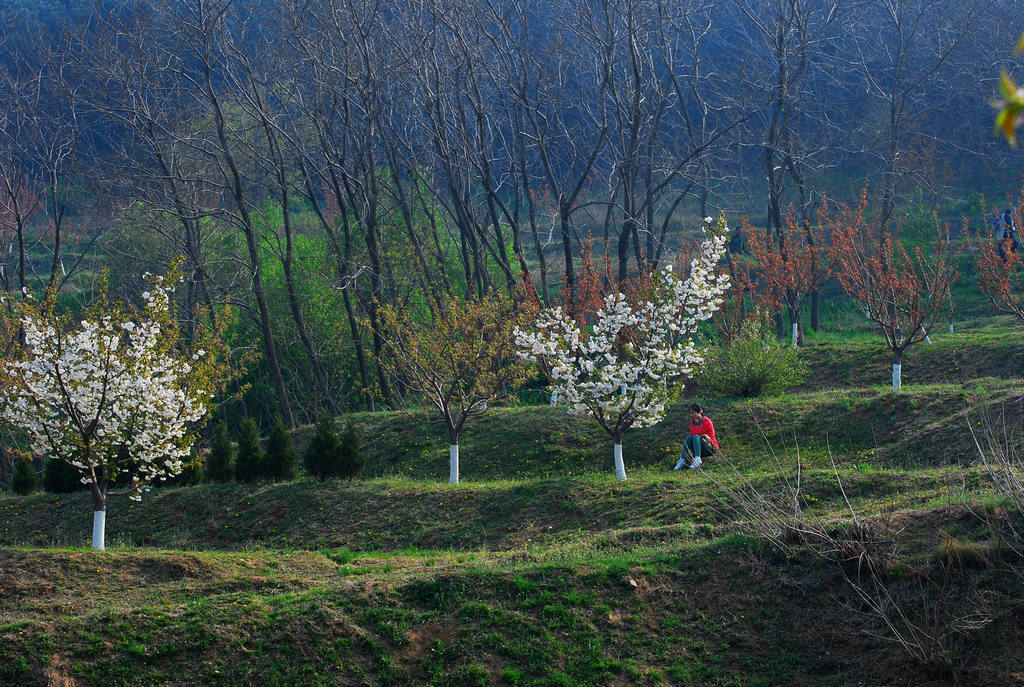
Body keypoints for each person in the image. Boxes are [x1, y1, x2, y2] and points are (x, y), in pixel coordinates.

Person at [674, 403, 718, 470]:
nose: (692, 415)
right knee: (689, 437)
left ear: (700, 412)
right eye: (690, 413)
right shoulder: (694, 421)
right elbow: (693, 434)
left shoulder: (707, 422)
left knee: (695, 437)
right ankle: (682, 459)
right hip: (699, 448)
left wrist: (703, 436)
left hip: (710, 448)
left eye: (693, 413)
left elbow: (708, 439)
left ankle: (697, 459)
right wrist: (696, 424)